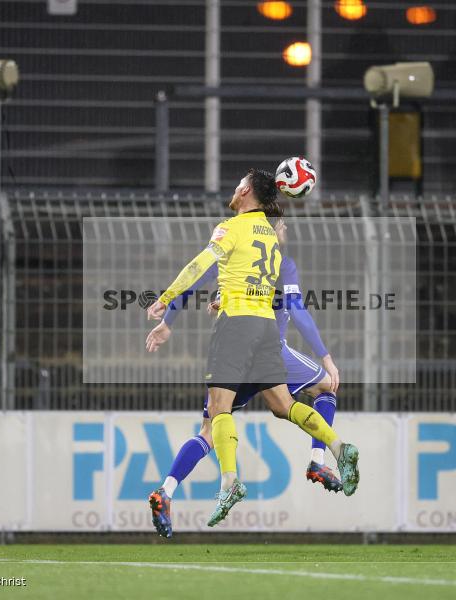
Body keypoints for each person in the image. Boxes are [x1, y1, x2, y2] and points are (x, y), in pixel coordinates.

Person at [145, 169, 360, 528]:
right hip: (264, 331)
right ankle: (337, 447)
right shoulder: (273, 243)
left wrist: (166, 299)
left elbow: (200, 266)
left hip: (237, 327)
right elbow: (256, 285)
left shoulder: (231, 227)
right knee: (283, 404)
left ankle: (228, 482)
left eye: (237, 185)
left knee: (218, 411)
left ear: (245, 190)